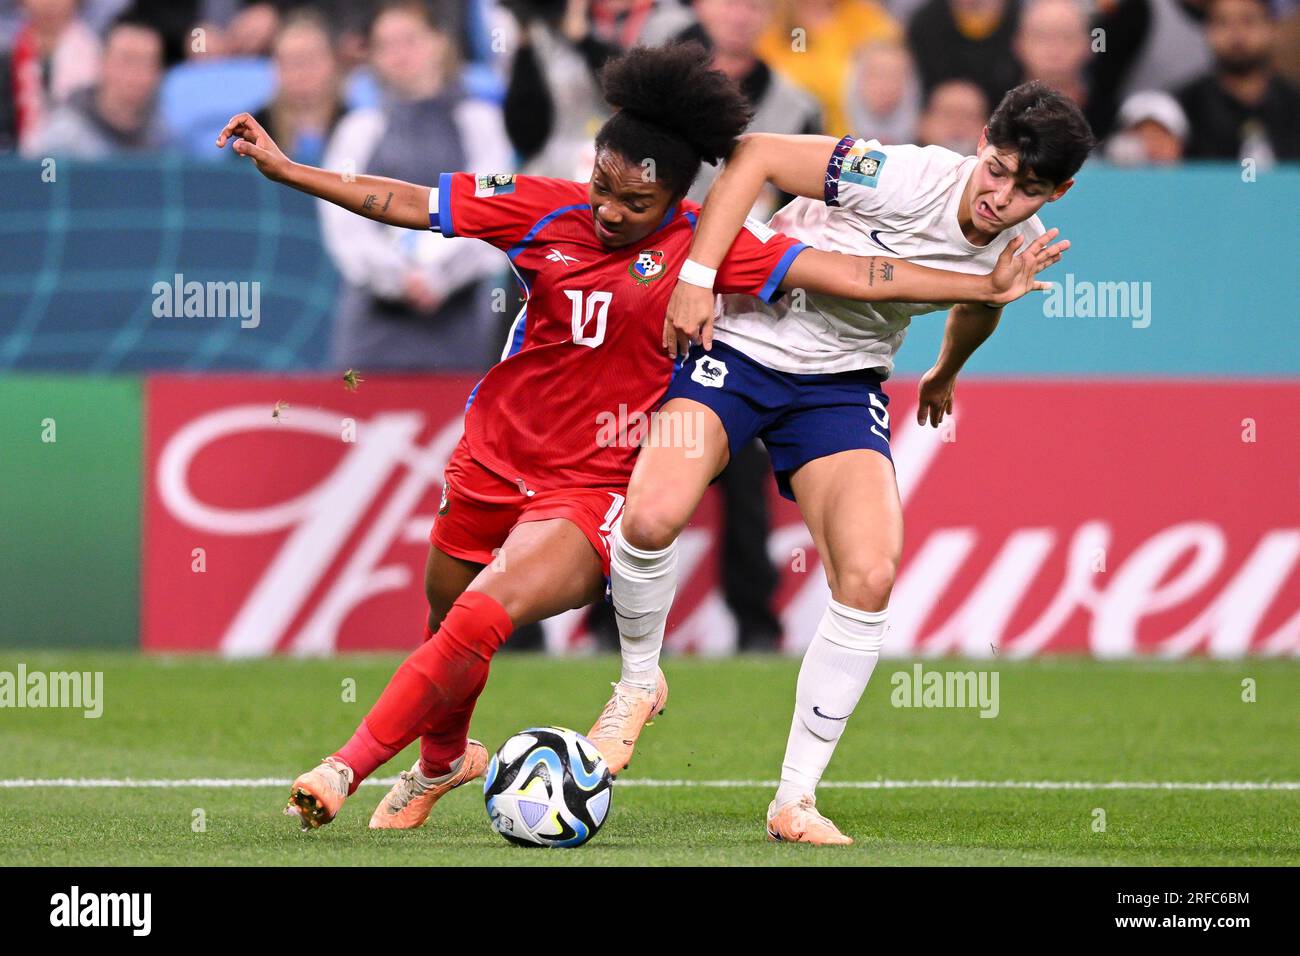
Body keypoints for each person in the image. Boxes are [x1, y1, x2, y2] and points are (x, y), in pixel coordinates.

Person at [216, 42, 1063, 833]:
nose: (613, 212)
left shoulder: (715, 245)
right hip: (501, 451)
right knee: (449, 618)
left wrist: (961, 319)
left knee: (482, 615)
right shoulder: (548, 210)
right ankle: (445, 760)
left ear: (676, 201)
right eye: (603, 189)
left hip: (602, 482)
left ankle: (344, 767)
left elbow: (853, 276)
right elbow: (407, 202)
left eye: (637, 202)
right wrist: (290, 171)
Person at [606, 79, 1087, 845]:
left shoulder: (1012, 242)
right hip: (740, 346)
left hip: (841, 384)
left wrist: (946, 370)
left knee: (869, 576)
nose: (1001, 197)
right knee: (652, 514)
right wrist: (697, 279)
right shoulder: (899, 174)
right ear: (981, 145)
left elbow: (980, 301)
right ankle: (637, 685)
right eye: (996, 169)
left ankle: (794, 799)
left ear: (1056, 192)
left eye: (1029, 190)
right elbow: (758, 154)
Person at [318, 0, 511, 372]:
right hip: (373, 327)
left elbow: (494, 210)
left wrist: (440, 278)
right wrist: (398, 278)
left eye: (409, 40)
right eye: (385, 45)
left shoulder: (481, 122)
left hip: (462, 322)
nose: (399, 54)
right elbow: (344, 225)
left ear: (439, 42)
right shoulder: (357, 129)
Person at [22, 15, 165, 159]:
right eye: (127, 60)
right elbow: (41, 178)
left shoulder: (163, 135)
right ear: (101, 63)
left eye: (147, 62)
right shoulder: (64, 135)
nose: (136, 73)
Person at [1176, 0, 1300, 162]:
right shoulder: (1182, 109)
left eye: (1248, 21)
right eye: (1223, 22)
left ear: (1271, 27)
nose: (1237, 34)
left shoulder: (1294, 104)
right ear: (1207, 30)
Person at [251, 9, 344, 168]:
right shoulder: (257, 128)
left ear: (333, 62)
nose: (301, 72)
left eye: (310, 59)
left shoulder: (354, 124)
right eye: (290, 61)